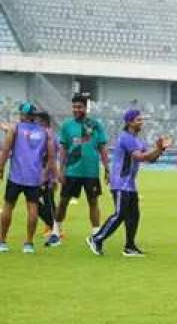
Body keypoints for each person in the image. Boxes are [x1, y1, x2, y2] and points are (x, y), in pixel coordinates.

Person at [87, 109, 169, 257]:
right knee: (120, 214)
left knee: (134, 215)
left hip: (129, 183)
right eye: (138, 120)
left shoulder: (137, 140)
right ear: (130, 122)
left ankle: (130, 246)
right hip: (120, 182)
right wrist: (157, 148)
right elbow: (139, 157)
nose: (141, 122)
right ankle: (96, 238)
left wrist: (160, 150)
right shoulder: (126, 138)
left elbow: (150, 159)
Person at [53, 93, 109, 244]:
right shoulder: (67, 126)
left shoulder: (95, 125)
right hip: (72, 170)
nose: (76, 109)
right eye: (74, 107)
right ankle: (56, 231)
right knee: (63, 201)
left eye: (80, 107)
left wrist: (107, 168)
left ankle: (96, 234)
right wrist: (60, 170)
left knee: (93, 201)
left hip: (91, 171)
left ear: (86, 108)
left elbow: (102, 147)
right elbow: (63, 149)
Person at [0, 102, 55, 254]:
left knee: (8, 206)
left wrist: (1, 167)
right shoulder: (44, 132)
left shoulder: (15, 128)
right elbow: (51, 156)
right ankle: (29, 243)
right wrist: (46, 174)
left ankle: (2, 241)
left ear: (23, 115)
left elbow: (6, 150)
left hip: (16, 176)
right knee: (32, 208)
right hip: (34, 177)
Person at [34, 112, 60, 244]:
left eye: (37, 121)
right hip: (42, 176)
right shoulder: (44, 134)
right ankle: (53, 227)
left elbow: (51, 158)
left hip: (46, 177)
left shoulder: (48, 135)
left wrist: (49, 177)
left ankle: (55, 228)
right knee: (45, 202)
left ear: (44, 122)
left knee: (43, 202)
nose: (35, 124)